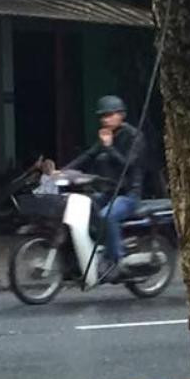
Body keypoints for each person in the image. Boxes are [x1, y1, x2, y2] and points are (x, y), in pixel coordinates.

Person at [65, 95, 144, 276]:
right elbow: (88, 156)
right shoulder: (107, 136)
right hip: (109, 192)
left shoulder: (134, 136)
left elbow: (128, 165)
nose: (105, 120)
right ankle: (93, 252)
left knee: (107, 215)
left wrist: (109, 147)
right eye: (103, 116)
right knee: (83, 210)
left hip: (129, 195)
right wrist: (63, 171)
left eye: (109, 115)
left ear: (121, 115)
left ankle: (116, 260)